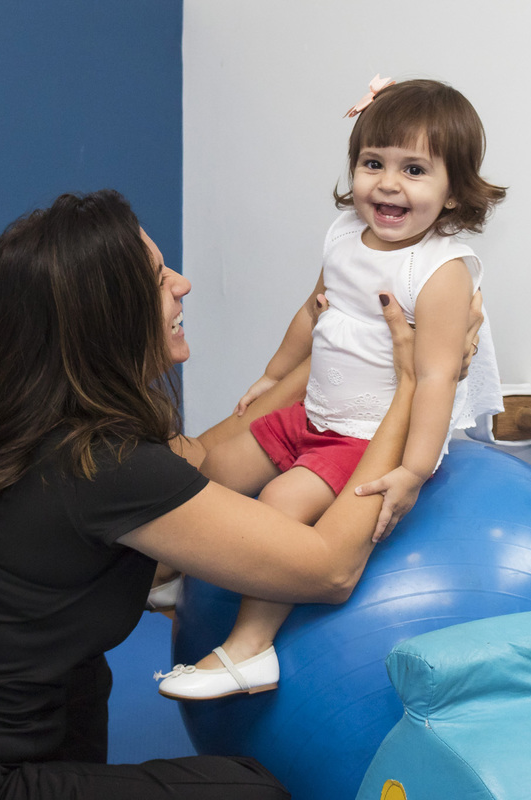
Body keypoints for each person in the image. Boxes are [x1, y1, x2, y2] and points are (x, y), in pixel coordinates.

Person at [0, 189, 477, 799]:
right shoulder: (105, 465)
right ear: (108, 319)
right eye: (158, 279)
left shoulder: (30, 426)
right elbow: (328, 567)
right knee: (249, 793)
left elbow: (207, 460)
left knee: (84, 681)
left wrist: (334, 360)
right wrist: (409, 391)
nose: (182, 284)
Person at [152, 76, 507, 701]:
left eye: (415, 170)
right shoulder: (345, 233)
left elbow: (434, 378)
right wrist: (272, 372)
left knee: (280, 507)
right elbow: (314, 311)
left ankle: (250, 648)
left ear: (455, 194)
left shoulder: (442, 270)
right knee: (209, 475)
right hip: (313, 415)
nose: (388, 184)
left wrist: (414, 470)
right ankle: (178, 567)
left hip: (367, 438)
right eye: (374, 163)